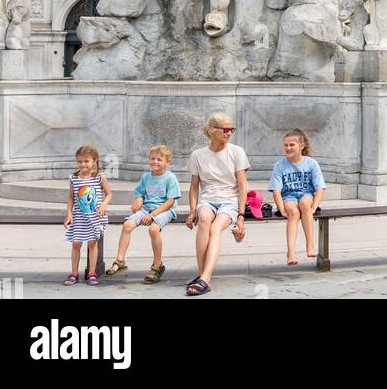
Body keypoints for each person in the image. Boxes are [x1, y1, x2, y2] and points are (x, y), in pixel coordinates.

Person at [185, 113, 249, 296]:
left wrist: (241, 216)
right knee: (204, 220)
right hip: (207, 199)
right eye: (226, 129)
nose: (229, 133)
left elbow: (243, 185)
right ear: (212, 130)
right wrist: (192, 210)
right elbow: (194, 187)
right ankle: (203, 275)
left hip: (230, 199)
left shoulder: (237, 152)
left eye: (232, 129)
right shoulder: (198, 155)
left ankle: (204, 277)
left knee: (215, 229)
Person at [106, 144, 181, 283]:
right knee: (127, 225)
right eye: (152, 158)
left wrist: (152, 215)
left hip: (164, 210)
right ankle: (120, 260)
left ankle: (157, 265)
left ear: (167, 162)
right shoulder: (146, 177)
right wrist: (138, 200)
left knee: (153, 230)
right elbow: (140, 192)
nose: (155, 162)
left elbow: (170, 201)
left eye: (159, 159)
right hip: (146, 209)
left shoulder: (170, 178)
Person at [269, 129, 326, 266]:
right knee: (293, 212)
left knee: (305, 203)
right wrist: (282, 209)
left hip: (306, 196)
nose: (288, 148)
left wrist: (313, 207)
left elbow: (319, 188)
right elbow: (276, 190)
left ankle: (310, 245)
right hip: (289, 197)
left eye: (291, 145)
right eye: (286, 145)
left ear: (302, 146)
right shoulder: (279, 165)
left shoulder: (311, 164)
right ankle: (291, 252)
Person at [62, 145, 111, 285]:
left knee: (92, 243)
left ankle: (91, 273)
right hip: (79, 216)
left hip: (95, 216)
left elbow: (109, 194)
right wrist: (69, 214)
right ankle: (74, 273)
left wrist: (103, 205)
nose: (83, 164)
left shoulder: (99, 177)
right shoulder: (74, 178)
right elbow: (71, 198)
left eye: (86, 161)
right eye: (80, 161)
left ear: (94, 161)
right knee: (76, 244)